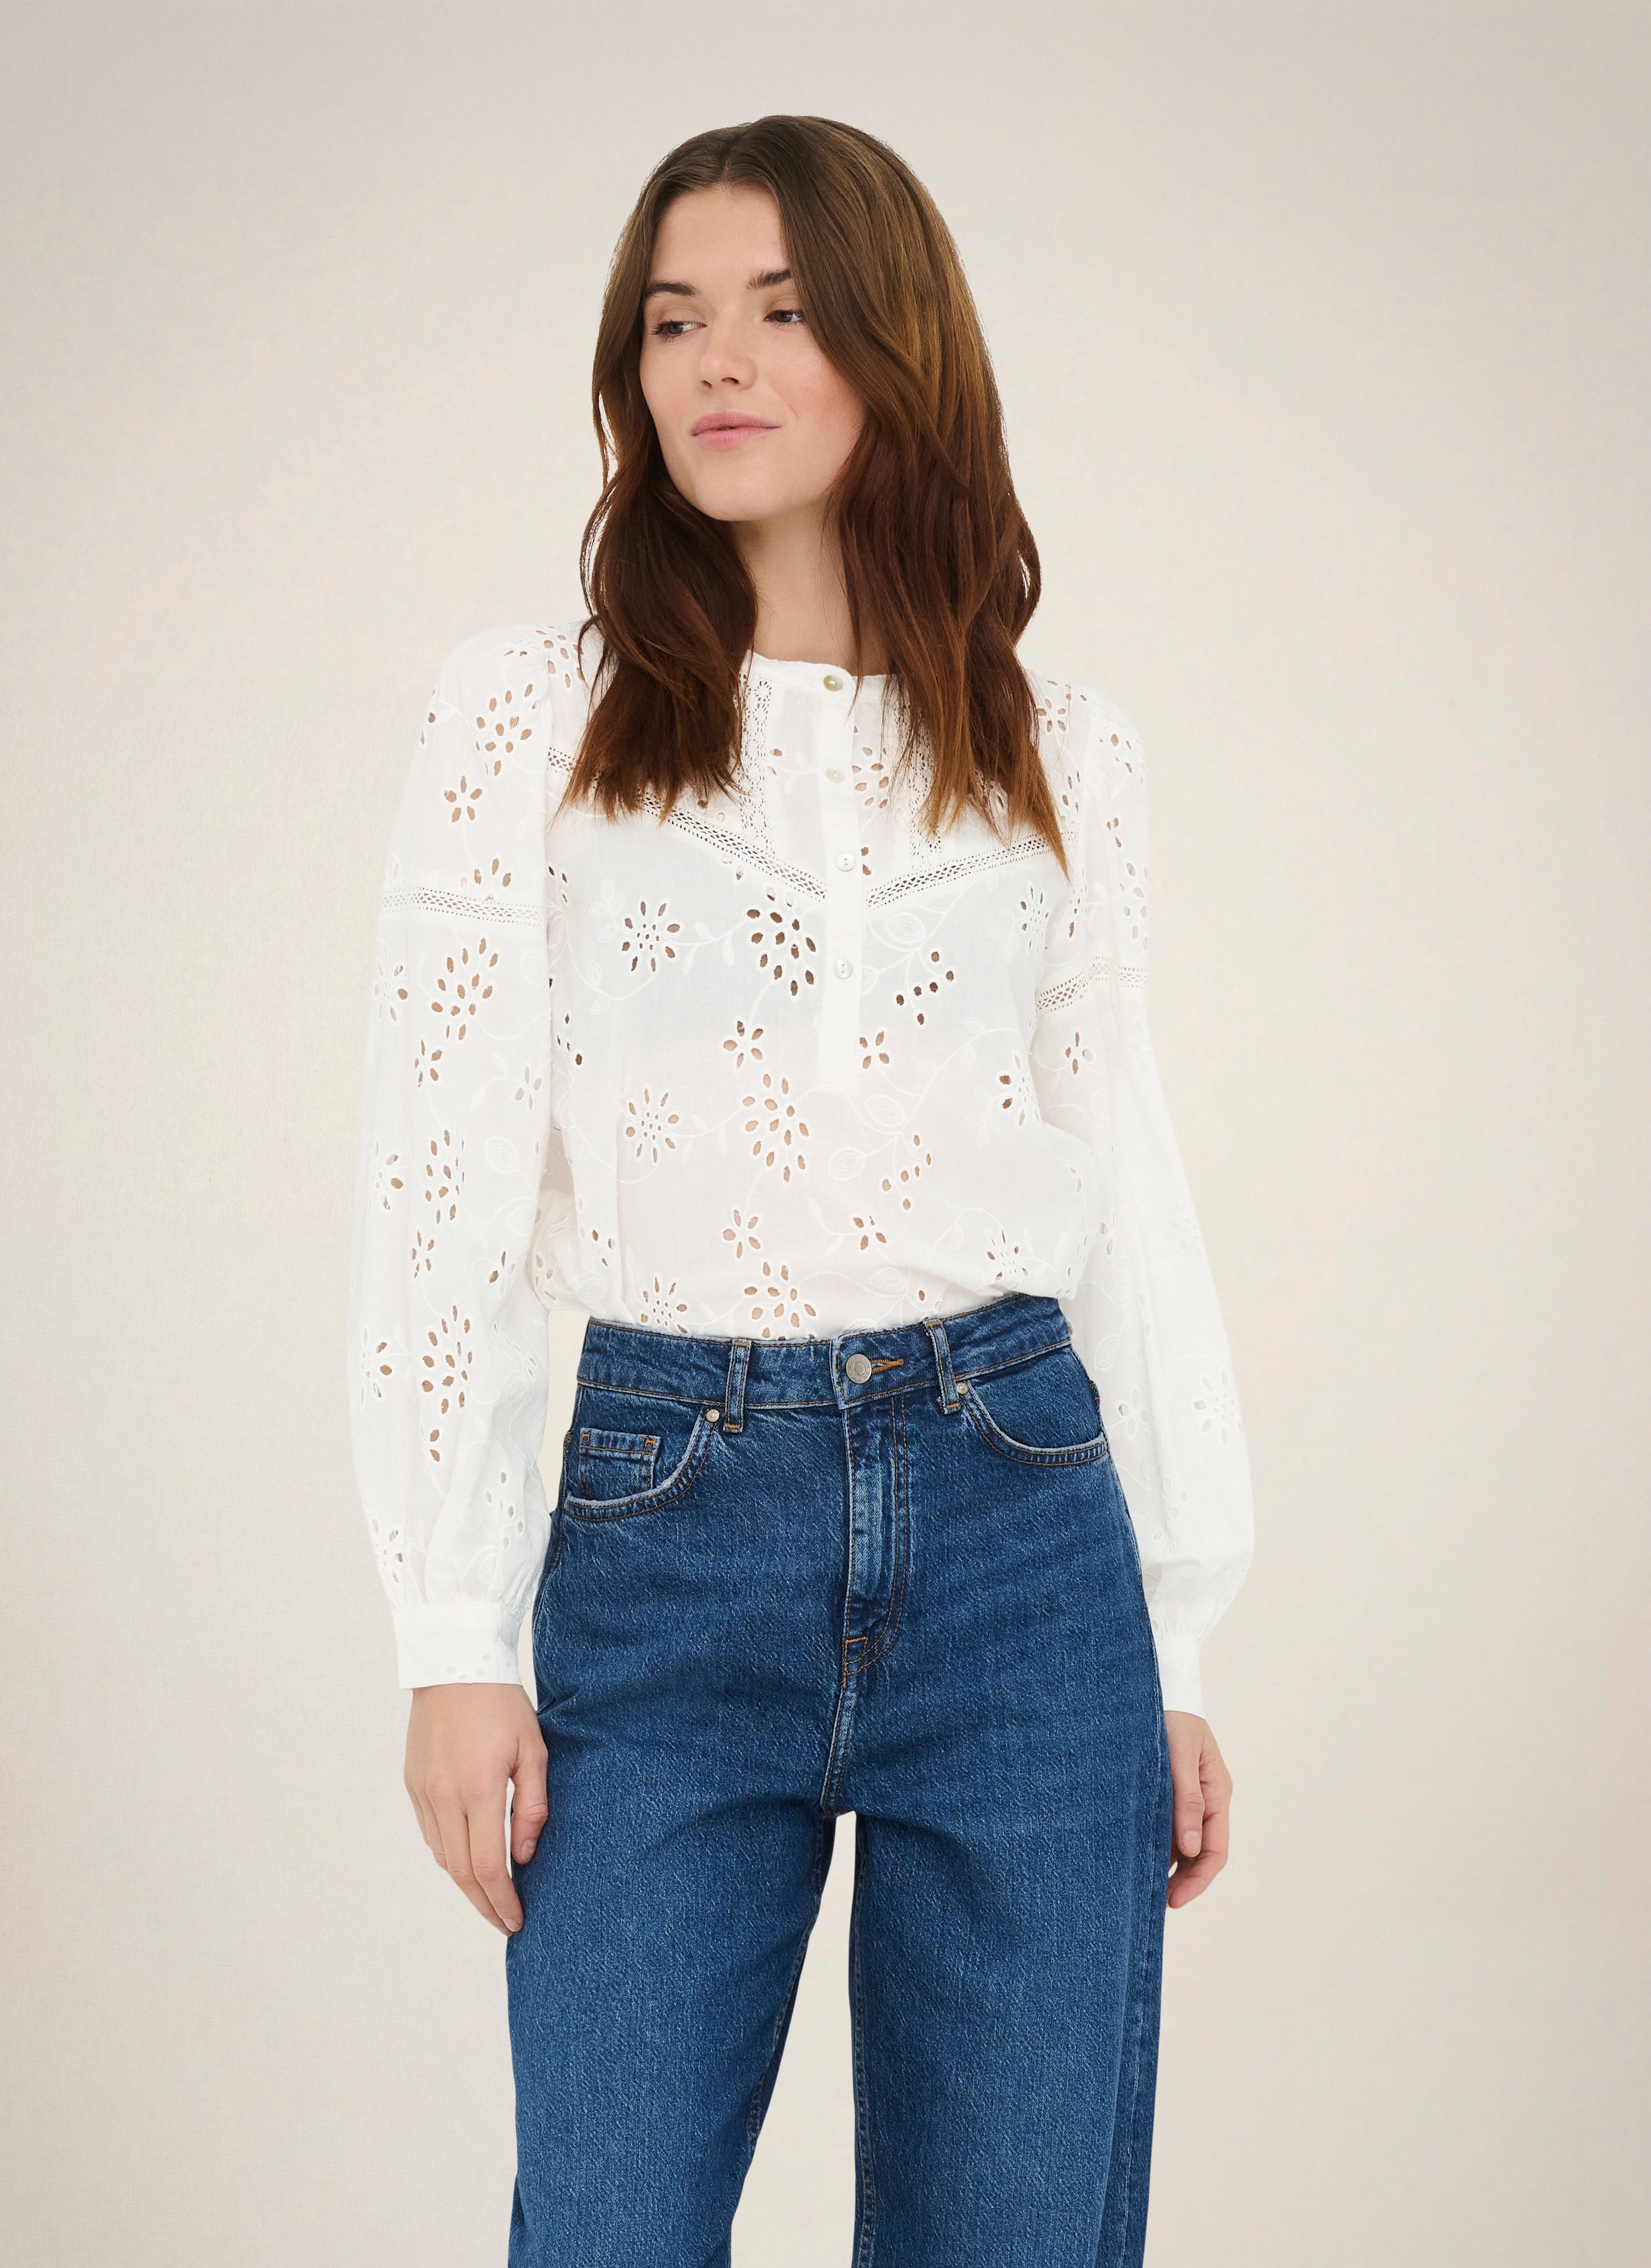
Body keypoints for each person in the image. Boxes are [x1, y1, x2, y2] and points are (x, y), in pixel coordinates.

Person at [348, 113, 1254, 2268]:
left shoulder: (1059, 749)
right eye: (672, 322)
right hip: (664, 1522)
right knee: (609, 2225)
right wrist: (450, 1636)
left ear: (895, 351)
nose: (716, 365)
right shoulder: (526, 717)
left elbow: (1118, 1181)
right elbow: (439, 1171)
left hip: (1023, 1524)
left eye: (778, 311)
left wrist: (1174, 1631)